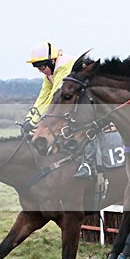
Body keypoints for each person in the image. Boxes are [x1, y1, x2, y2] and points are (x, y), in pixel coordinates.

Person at [24, 41, 93, 178]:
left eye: (41, 66)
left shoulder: (65, 67)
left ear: (52, 61)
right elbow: (43, 97)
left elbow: (55, 99)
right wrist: (29, 118)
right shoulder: (49, 74)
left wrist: (36, 121)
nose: (39, 70)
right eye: (36, 67)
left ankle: (88, 164)